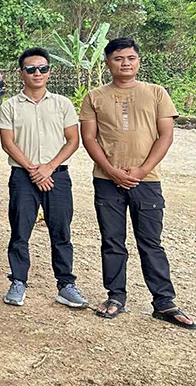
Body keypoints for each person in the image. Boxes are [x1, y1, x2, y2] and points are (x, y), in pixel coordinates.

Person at [80, 37, 194, 328]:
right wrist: (111, 170)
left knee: (151, 242)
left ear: (138, 61)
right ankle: (115, 296)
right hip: (106, 180)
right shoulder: (94, 96)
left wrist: (142, 170)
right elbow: (89, 138)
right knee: (112, 241)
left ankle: (164, 302)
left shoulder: (156, 93)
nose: (125, 63)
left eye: (131, 58)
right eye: (118, 58)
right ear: (108, 63)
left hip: (147, 181)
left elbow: (165, 135)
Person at [0, 48, 88, 308]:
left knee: (61, 231)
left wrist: (49, 167)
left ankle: (66, 285)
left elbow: (73, 140)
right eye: (31, 69)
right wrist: (34, 170)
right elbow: (8, 143)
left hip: (57, 176)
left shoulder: (63, 104)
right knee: (20, 231)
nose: (37, 73)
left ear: (49, 72)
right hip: (22, 177)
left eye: (42, 68)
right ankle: (18, 282)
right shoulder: (9, 106)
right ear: (21, 73)